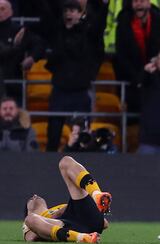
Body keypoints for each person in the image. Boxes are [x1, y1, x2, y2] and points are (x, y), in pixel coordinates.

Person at [36, 0, 108, 151]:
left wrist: (104, 5)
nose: (69, 14)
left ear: (81, 14)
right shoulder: (56, 32)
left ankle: (80, 168)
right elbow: (46, 12)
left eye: (73, 11)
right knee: (53, 133)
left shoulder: (88, 34)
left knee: (82, 135)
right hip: (60, 90)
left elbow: (100, 25)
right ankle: (49, 165)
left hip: (80, 91)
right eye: (66, 11)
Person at [23, 156, 112, 243]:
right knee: (30, 220)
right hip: (67, 227)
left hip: (82, 215)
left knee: (65, 162)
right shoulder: (29, 221)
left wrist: (95, 212)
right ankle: (82, 237)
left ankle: (97, 195)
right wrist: (56, 214)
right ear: (28, 210)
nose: (35, 196)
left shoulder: (58, 207)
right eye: (31, 199)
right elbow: (31, 237)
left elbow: (104, 223)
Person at [115, 0, 160, 113]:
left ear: (149, 3)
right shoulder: (123, 24)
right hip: (133, 84)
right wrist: (139, 77)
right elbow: (121, 57)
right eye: (135, 1)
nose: (139, 4)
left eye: (142, 1)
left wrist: (159, 65)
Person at [0, 0, 44, 104]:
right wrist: (15, 46)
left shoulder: (19, 31)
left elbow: (40, 45)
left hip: (14, 84)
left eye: (2, 9)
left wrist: (32, 58)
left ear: (11, 12)